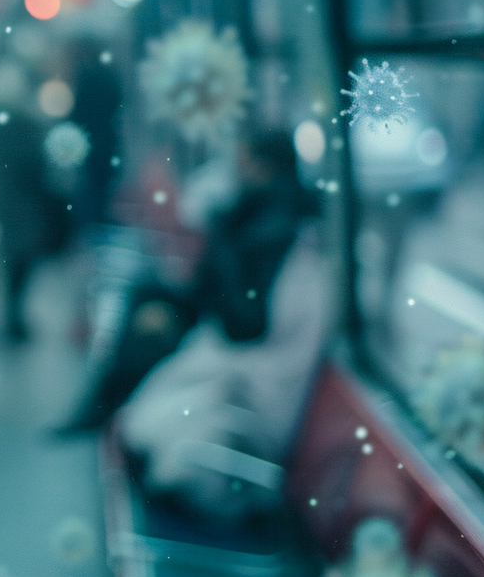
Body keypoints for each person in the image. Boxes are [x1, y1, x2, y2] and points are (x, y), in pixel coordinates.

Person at [58, 129, 320, 433]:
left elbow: (244, 320)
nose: (235, 170)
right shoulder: (249, 211)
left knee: (150, 330)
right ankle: (108, 407)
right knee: (146, 296)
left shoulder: (272, 225)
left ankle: (110, 410)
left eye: (242, 162)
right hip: (218, 315)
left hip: (240, 345)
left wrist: (218, 234)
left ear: (261, 167)